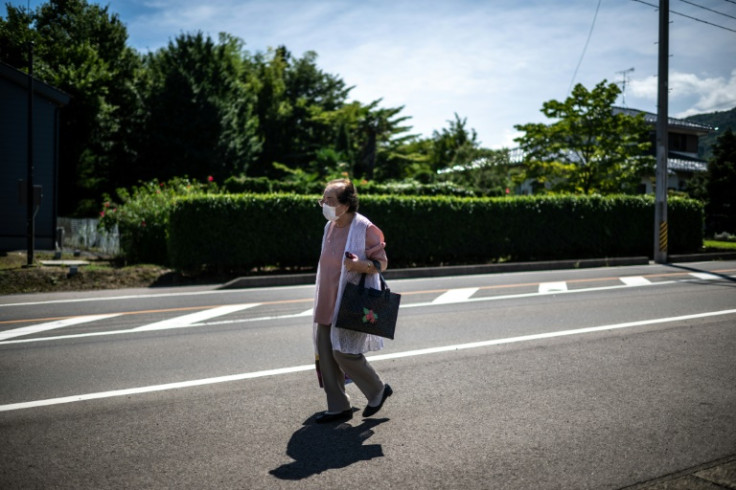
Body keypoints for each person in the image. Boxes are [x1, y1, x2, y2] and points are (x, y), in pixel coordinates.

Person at [312, 178, 393, 424]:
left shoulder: (364, 228)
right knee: (325, 353)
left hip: (350, 301)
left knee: (343, 352)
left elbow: (382, 263)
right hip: (327, 299)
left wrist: (360, 265)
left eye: (330, 200)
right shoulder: (330, 226)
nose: (324, 204)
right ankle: (338, 407)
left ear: (346, 205)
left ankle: (378, 390)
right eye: (323, 199)